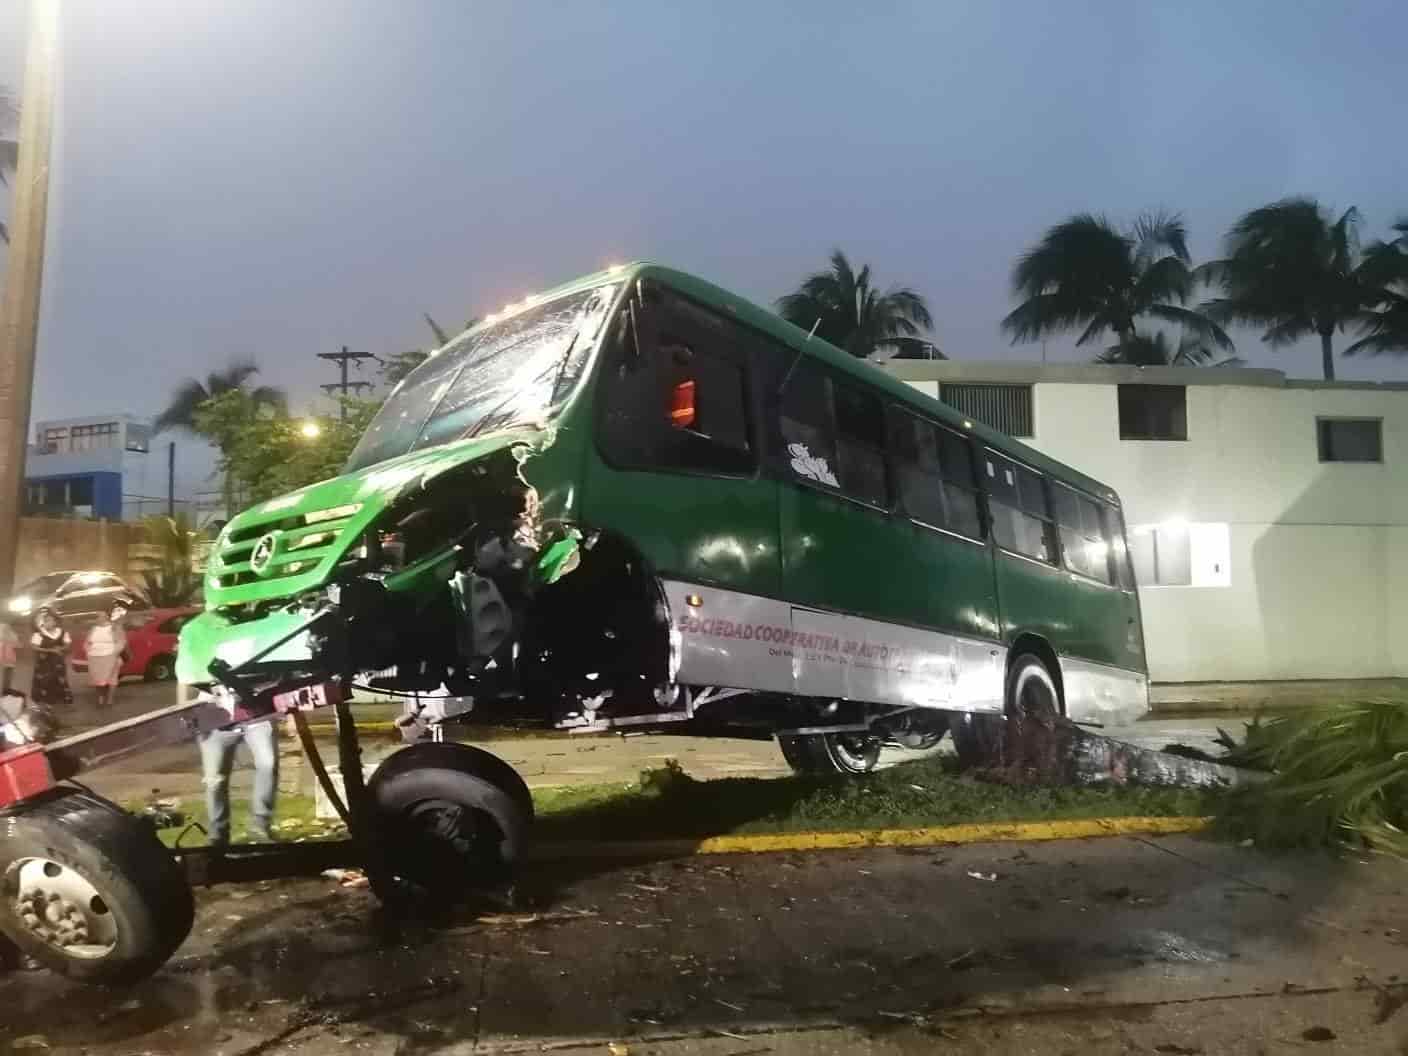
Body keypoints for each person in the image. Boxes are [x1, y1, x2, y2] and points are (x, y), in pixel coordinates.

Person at [199, 720, 279, 847]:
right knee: (214, 780)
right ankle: (218, 834)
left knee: (268, 764)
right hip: (217, 723)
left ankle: (260, 825)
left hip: (257, 719)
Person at [28, 608, 71, 736]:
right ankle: (45, 703)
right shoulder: (38, 634)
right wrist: (50, 651)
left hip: (58, 662)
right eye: (46, 621)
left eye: (50, 620)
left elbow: (67, 645)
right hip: (44, 663)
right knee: (45, 681)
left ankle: (58, 701)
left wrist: (61, 649)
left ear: (55, 622)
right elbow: (34, 647)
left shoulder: (62, 632)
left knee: (59, 679)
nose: (48, 623)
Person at [84, 603, 128, 710]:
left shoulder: (114, 628)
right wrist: (88, 651)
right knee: (98, 679)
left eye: (101, 616)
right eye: (97, 616)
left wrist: (114, 653)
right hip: (95, 657)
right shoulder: (93, 629)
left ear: (107, 617)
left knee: (111, 679)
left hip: (110, 656)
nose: (99, 618)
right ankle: (100, 698)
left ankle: (110, 699)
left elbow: (121, 642)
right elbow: (87, 642)